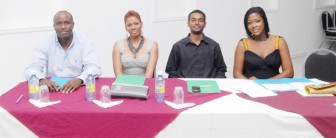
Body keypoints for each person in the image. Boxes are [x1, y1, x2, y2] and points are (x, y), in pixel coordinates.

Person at [25, 11, 102, 93]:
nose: (63, 26)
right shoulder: (44, 43)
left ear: (73, 25)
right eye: (59, 23)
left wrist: (80, 79)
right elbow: (32, 68)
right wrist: (40, 80)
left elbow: (94, 67)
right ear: (54, 26)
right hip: (53, 89)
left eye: (67, 23)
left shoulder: (85, 42)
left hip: (78, 87)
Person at [233, 7, 294, 79]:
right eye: (249, 23)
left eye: (257, 21)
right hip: (251, 87)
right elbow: (236, 74)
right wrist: (249, 82)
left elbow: (289, 72)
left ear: (264, 21)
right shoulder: (242, 44)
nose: (253, 25)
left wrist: (265, 82)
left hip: (274, 86)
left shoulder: (279, 41)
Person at [165, 10, 227, 78]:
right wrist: (180, 84)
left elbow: (221, 69)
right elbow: (171, 70)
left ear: (205, 24)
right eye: (193, 20)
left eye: (201, 20)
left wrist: (214, 83)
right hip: (185, 86)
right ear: (188, 23)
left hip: (209, 87)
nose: (197, 23)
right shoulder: (178, 46)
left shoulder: (214, 46)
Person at [112, 10, 158, 78]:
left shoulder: (153, 45)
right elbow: (118, 75)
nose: (133, 27)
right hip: (124, 84)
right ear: (125, 27)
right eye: (129, 25)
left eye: (136, 23)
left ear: (141, 24)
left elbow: (149, 76)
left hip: (145, 85)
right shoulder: (118, 45)